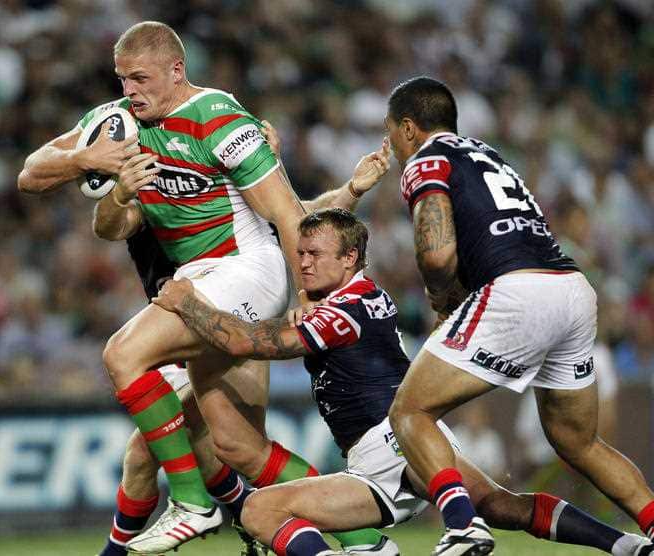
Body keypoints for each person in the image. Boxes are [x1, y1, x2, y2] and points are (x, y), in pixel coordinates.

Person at [18, 21, 391, 554]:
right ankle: (366, 540)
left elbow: (289, 214)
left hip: (242, 275)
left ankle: (192, 504)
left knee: (126, 365)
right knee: (237, 447)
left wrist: (309, 300)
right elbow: (54, 190)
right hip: (190, 288)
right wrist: (96, 168)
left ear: (176, 70)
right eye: (122, 79)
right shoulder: (116, 128)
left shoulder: (219, 120)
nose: (129, 91)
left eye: (140, 78)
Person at [153, 208, 654, 556]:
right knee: (503, 504)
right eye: (300, 253)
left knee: (261, 510)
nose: (302, 262)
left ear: (348, 259)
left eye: (313, 254)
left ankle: (465, 528)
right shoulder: (364, 295)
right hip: (403, 447)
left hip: (386, 448)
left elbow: (251, 345)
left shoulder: (343, 312)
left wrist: (188, 303)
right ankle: (626, 544)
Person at [383, 76, 654, 555]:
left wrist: (440, 294)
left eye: (391, 134)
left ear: (409, 128)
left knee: (409, 411)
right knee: (578, 440)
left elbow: (438, 252)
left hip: (517, 291)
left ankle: (463, 527)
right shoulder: (489, 154)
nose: (392, 146)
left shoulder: (426, 158)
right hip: (571, 289)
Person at [95, 122, 386, 556]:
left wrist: (349, 191)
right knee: (229, 447)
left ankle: (207, 511)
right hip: (177, 322)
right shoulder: (159, 187)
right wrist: (113, 186)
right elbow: (108, 223)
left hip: (213, 312)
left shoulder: (230, 192)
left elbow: (294, 216)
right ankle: (354, 539)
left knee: (154, 449)